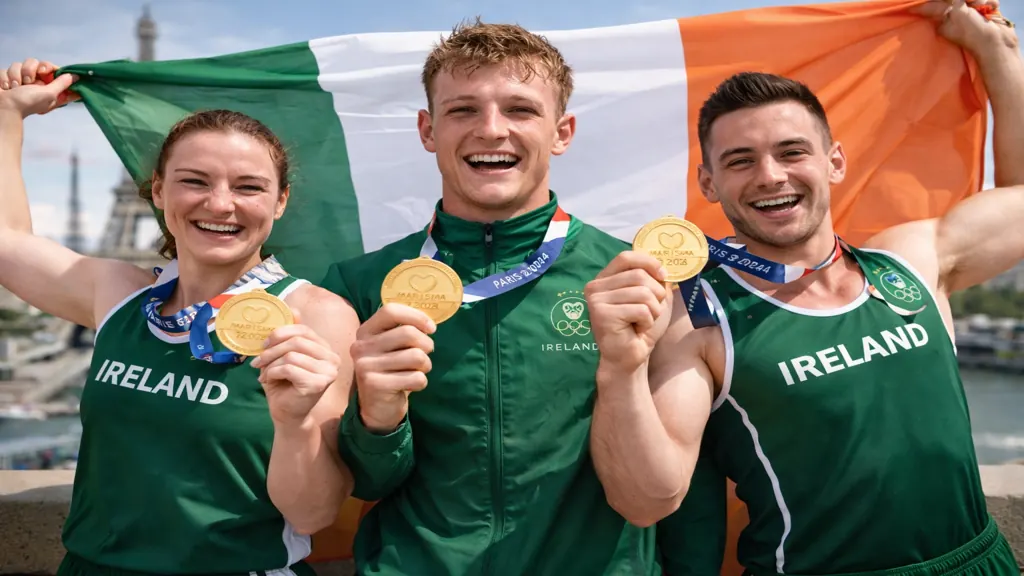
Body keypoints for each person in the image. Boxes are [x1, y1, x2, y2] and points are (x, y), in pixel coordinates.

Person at [586, 0, 1022, 574]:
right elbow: (647, 499)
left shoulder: (913, 261)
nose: (770, 175)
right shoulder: (699, 317)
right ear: (708, 184)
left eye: (792, 152)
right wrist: (619, 368)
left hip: (981, 559)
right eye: (740, 161)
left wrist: (995, 52)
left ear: (834, 161)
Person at [318, 19, 659, 576]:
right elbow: (358, 486)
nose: (491, 129)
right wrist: (378, 420)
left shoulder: (630, 279)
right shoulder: (359, 286)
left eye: (520, 109)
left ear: (562, 131)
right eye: (463, 110)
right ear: (428, 130)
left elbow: (675, 491)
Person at [0, 61, 356, 576]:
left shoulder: (313, 316)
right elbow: (9, 244)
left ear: (280, 202)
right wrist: (8, 116)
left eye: (249, 187)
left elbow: (313, 514)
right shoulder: (119, 294)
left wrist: (295, 422)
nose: (220, 203)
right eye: (195, 181)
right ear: (159, 191)